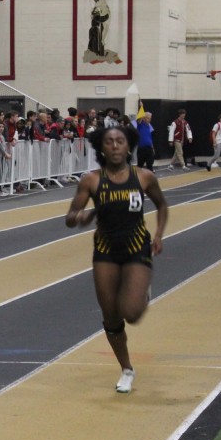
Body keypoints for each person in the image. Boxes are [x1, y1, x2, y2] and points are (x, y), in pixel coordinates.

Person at [65, 125, 168, 393]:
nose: (114, 146)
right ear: (101, 147)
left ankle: (141, 292)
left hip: (136, 247)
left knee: (131, 313)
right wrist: (82, 216)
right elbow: (70, 217)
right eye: (109, 141)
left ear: (128, 146)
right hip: (105, 250)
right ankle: (127, 369)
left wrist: (158, 235)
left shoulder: (144, 177)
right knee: (111, 318)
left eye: (120, 141)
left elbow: (162, 205)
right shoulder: (91, 180)